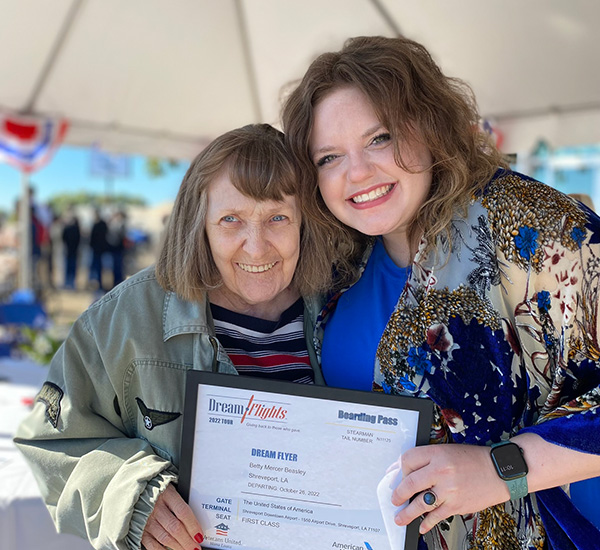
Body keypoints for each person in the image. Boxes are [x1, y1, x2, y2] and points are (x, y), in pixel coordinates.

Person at [282, 35, 600, 549]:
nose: (357, 173)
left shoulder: (527, 227)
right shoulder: (337, 263)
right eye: (328, 158)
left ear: (429, 124)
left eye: (379, 138)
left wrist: (502, 469)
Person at [14, 124, 333, 550]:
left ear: (304, 222)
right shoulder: (125, 319)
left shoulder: (345, 306)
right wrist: (133, 494)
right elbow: (54, 443)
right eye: (230, 220)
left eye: (278, 217)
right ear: (198, 223)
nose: (256, 248)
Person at [88, 208, 109, 291]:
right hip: (95, 250)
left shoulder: (100, 224)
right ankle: (94, 284)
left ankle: (98, 284)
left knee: (98, 268)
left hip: (99, 250)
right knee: (94, 268)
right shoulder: (96, 224)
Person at [61, 208, 81, 289]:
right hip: (73, 251)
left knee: (68, 268)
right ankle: (71, 283)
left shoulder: (68, 228)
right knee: (72, 268)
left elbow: (63, 238)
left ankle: (68, 283)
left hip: (69, 251)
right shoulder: (75, 229)